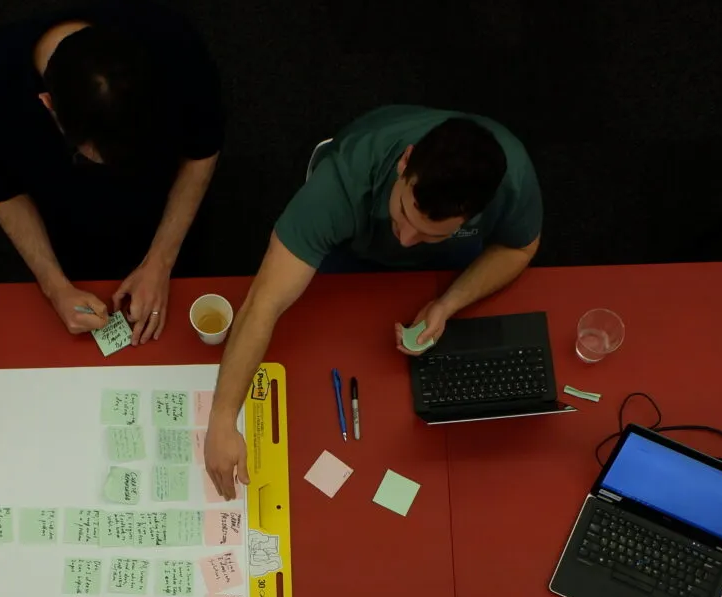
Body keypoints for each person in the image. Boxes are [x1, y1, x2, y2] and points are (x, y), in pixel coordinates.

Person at [205, 105, 541, 497]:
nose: (406, 240)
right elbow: (264, 302)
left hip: (447, 268)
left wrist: (448, 303)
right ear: (405, 162)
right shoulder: (342, 184)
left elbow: (520, 248)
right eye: (404, 212)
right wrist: (223, 419)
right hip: (354, 248)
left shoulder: (513, 175)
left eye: (430, 233)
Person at [0, 0, 223, 346]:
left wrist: (161, 260)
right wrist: (56, 287)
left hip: (165, 204)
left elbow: (201, 151)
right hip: (66, 225)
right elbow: (4, 191)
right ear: (48, 104)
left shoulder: (174, 45)